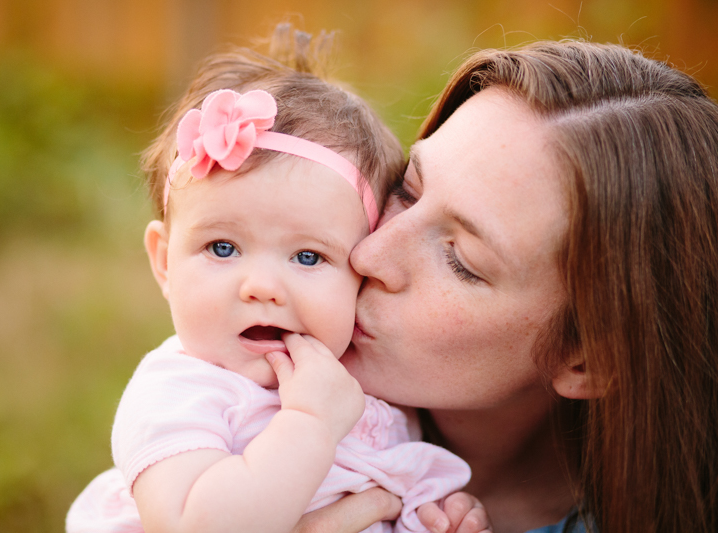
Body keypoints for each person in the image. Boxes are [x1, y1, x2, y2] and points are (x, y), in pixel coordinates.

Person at [65, 26, 479, 533]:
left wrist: (438, 513)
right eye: (223, 248)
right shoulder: (181, 394)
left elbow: (392, 489)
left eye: (307, 257)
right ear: (165, 263)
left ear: (363, 269)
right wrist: (309, 425)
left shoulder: (371, 382)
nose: (261, 286)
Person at [296, 41, 718, 533]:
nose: (368, 255)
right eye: (407, 191)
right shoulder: (216, 400)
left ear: (587, 358)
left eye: (462, 261)